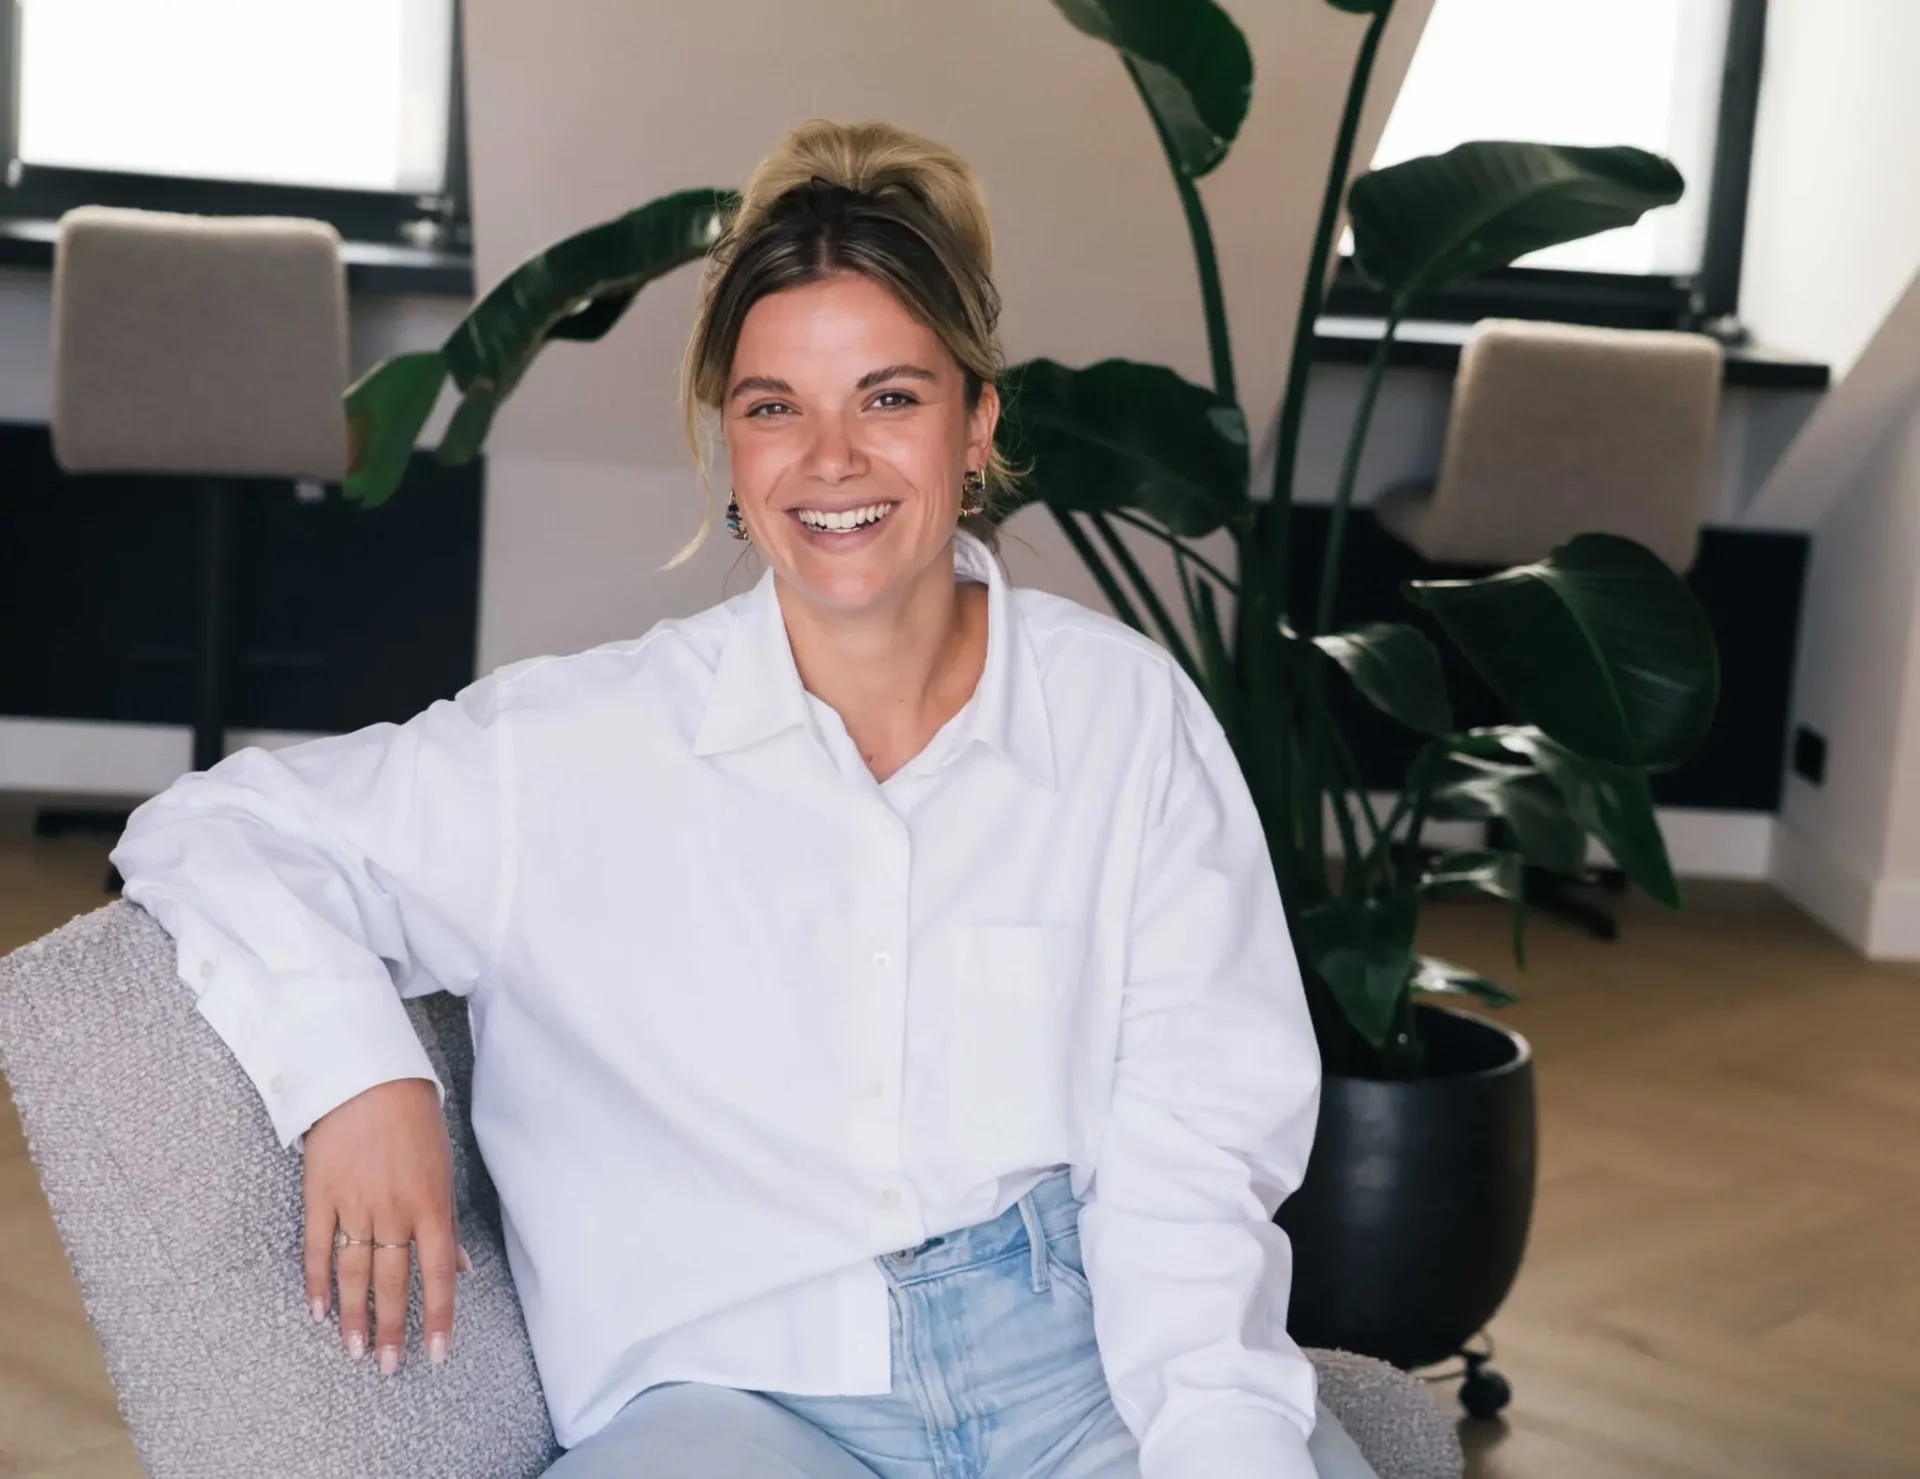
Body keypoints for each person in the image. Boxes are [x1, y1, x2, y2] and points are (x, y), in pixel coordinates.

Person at [110, 119, 1379, 1479]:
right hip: (735, 1396)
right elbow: (216, 828)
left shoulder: (1125, 718)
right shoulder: (574, 747)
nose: (831, 459)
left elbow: (1197, 1148)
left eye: (889, 398)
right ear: (730, 443)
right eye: (776, 407)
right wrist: (359, 1074)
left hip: (1084, 1374)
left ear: (977, 426)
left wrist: (1224, 1438)